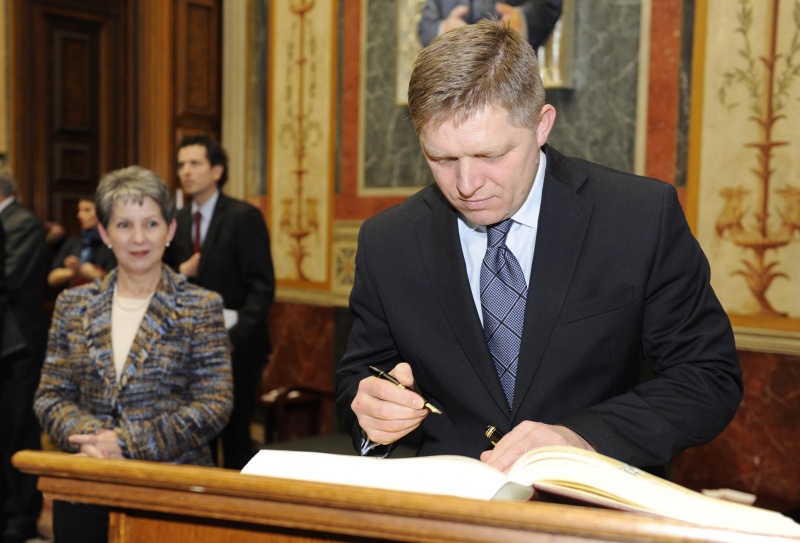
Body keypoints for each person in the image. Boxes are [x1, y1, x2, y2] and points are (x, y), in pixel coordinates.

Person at [336, 20, 743, 476]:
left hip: (593, 514)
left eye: (491, 156)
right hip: (451, 514)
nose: (467, 185)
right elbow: (360, 378)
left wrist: (582, 437)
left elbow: (707, 377)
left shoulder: (638, 217)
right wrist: (371, 411)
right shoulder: (387, 241)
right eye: (442, 159)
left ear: (541, 125)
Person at [34, 165, 234, 543]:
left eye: (151, 224)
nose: (139, 238)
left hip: (170, 489)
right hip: (85, 484)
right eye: (124, 225)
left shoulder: (200, 306)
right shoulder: (73, 304)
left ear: (170, 230)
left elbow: (214, 404)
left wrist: (126, 443)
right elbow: (51, 396)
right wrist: (93, 438)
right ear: (106, 233)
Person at [165, 134, 275, 470]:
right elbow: (161, 278)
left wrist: (232, 338)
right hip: (190, 349)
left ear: (217, 171)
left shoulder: (242, 217)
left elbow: (262, 287)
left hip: (237, 349)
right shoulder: (177, 221)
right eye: (181, 164)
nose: (186, 171)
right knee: (198, 441)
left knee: (236, 439)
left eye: (194, 163)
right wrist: (179, 272)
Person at [0, 168, 47, 543]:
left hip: (18, 350)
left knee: (19, 431)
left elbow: (10, 280)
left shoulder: (23, 224)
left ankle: (23, 514)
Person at [418, 0, 562, 49]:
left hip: (510, 72)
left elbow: (549, 6)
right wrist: (445, 30)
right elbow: (425, 26)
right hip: (455, 81)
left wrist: (521, 19)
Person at [47, 198, 116, 289]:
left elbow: (116, 282)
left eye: (87, 210)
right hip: (74, 300)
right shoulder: (73, 242)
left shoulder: (112, 244)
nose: (79, 215)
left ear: (102, 213)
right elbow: (52, 279)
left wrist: (90, 273)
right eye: (79, 210)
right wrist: (75, 271)